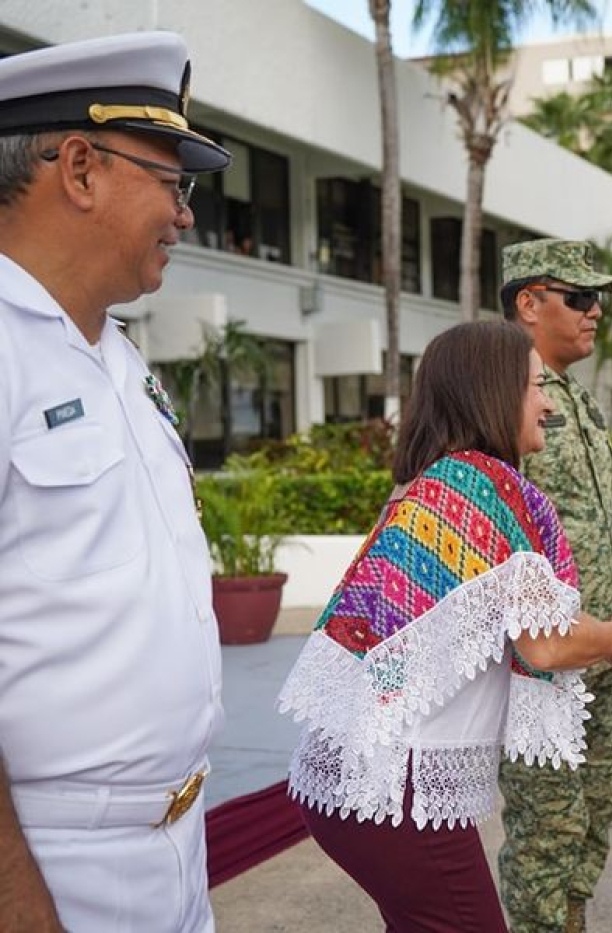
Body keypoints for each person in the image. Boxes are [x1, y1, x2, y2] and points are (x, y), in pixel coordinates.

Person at [278, 322, 612, 932]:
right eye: (535, 386)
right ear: (493, 392)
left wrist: (604, 642)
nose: (549, 402)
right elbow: (546, 641)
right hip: (395, 789)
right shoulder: (486, 488)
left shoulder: (437, 483)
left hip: (359, 784)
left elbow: (504, 627)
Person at [0, 33, 232, 933]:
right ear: (82, 168)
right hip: (53, 864)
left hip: (177, 844)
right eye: (173, 184)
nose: (184, 216)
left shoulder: (120, 359)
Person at [496, 238, 612, 933]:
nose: (596, 311)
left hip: (600, 652)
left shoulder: (575, 397)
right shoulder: (500, 398)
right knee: (546, 829)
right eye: (579, 297)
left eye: (597, 298)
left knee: (595, 811)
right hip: (542, 661)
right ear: (529, 302)